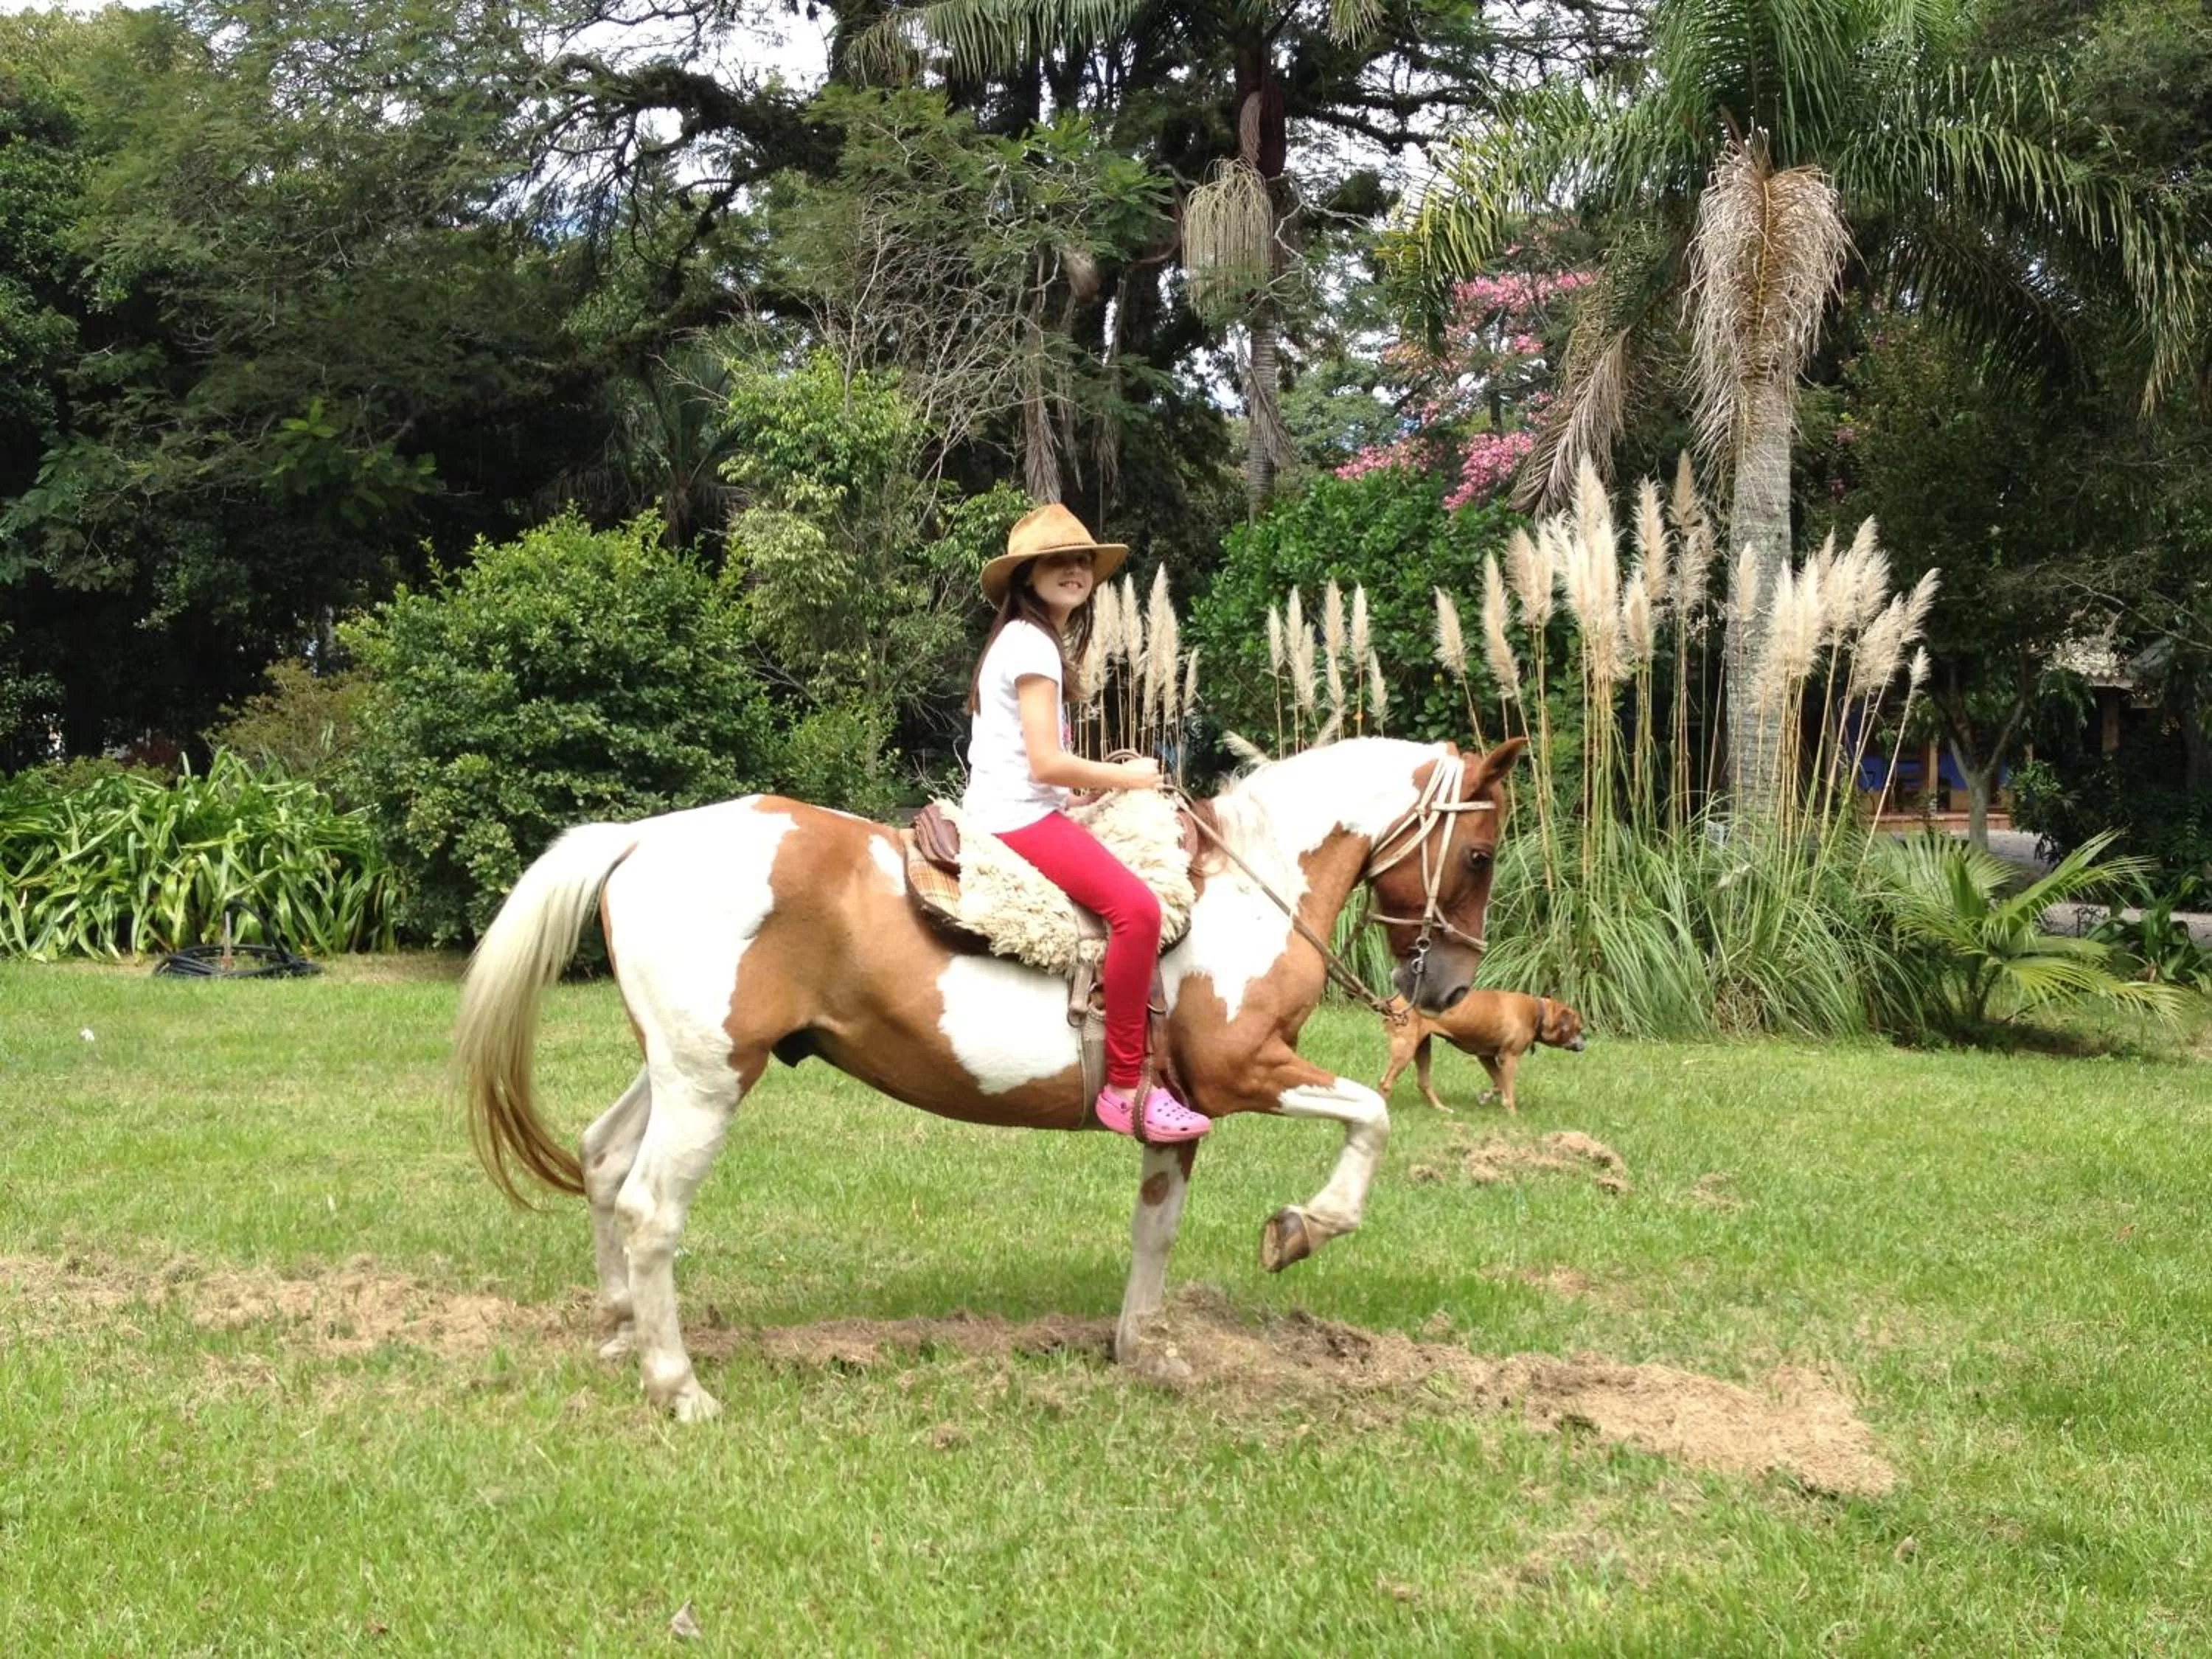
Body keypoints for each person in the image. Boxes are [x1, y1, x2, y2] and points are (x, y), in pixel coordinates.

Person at [963, 504, 1211, 1144]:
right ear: (1026, 577)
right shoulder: (1031, 646)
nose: (1075, 570)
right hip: (1016, 820)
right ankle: (1126, 1087)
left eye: (1083, 561)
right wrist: (1130, 777)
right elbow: (1048, 760)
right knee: (1138, 910)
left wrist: (1082, 801)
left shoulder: (1027, 641)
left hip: (1022, 807)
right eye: (1058, 561)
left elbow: (1030, 766)